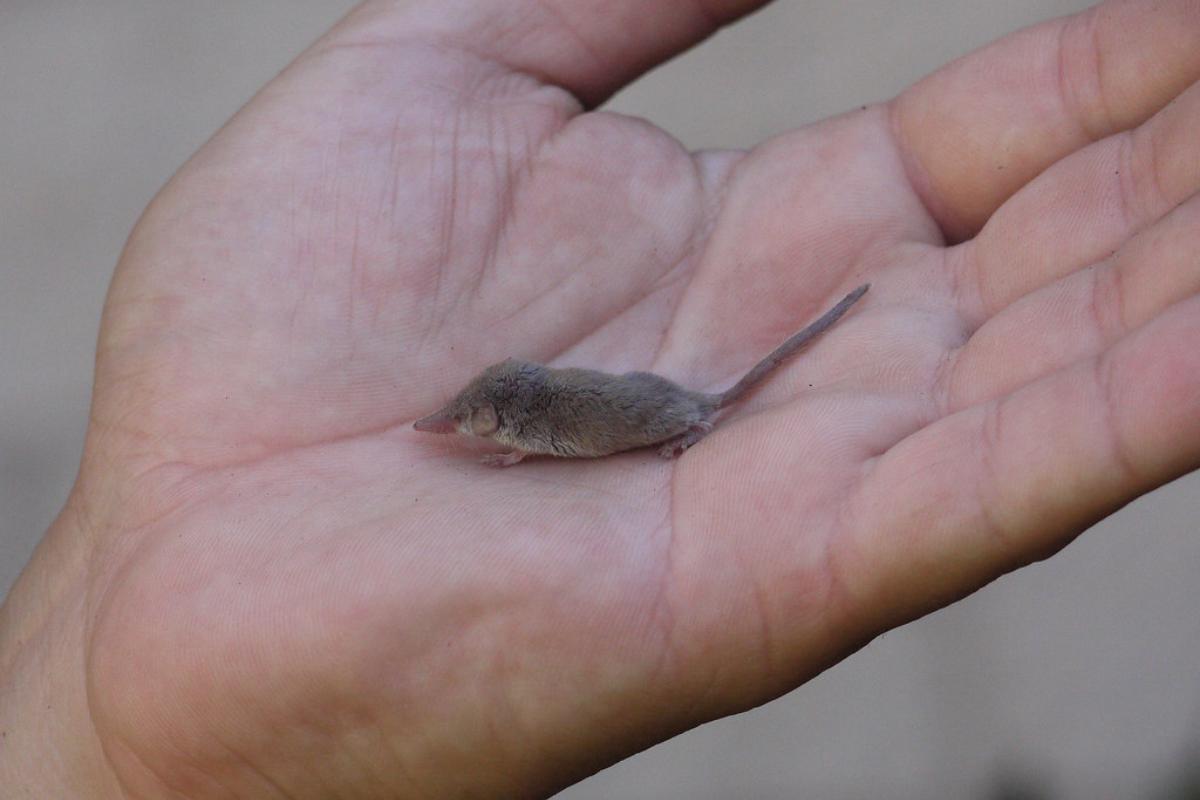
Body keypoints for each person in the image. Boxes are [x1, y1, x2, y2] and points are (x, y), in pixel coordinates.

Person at [2, 0, 1198, 796]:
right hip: (648, 403)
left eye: (474, 422)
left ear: (510, 424)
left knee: (680, 405)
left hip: (665, 413)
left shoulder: (554, 424)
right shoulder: (518, 410)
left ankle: (702, 412)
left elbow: (567, 429)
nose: (459, 428)